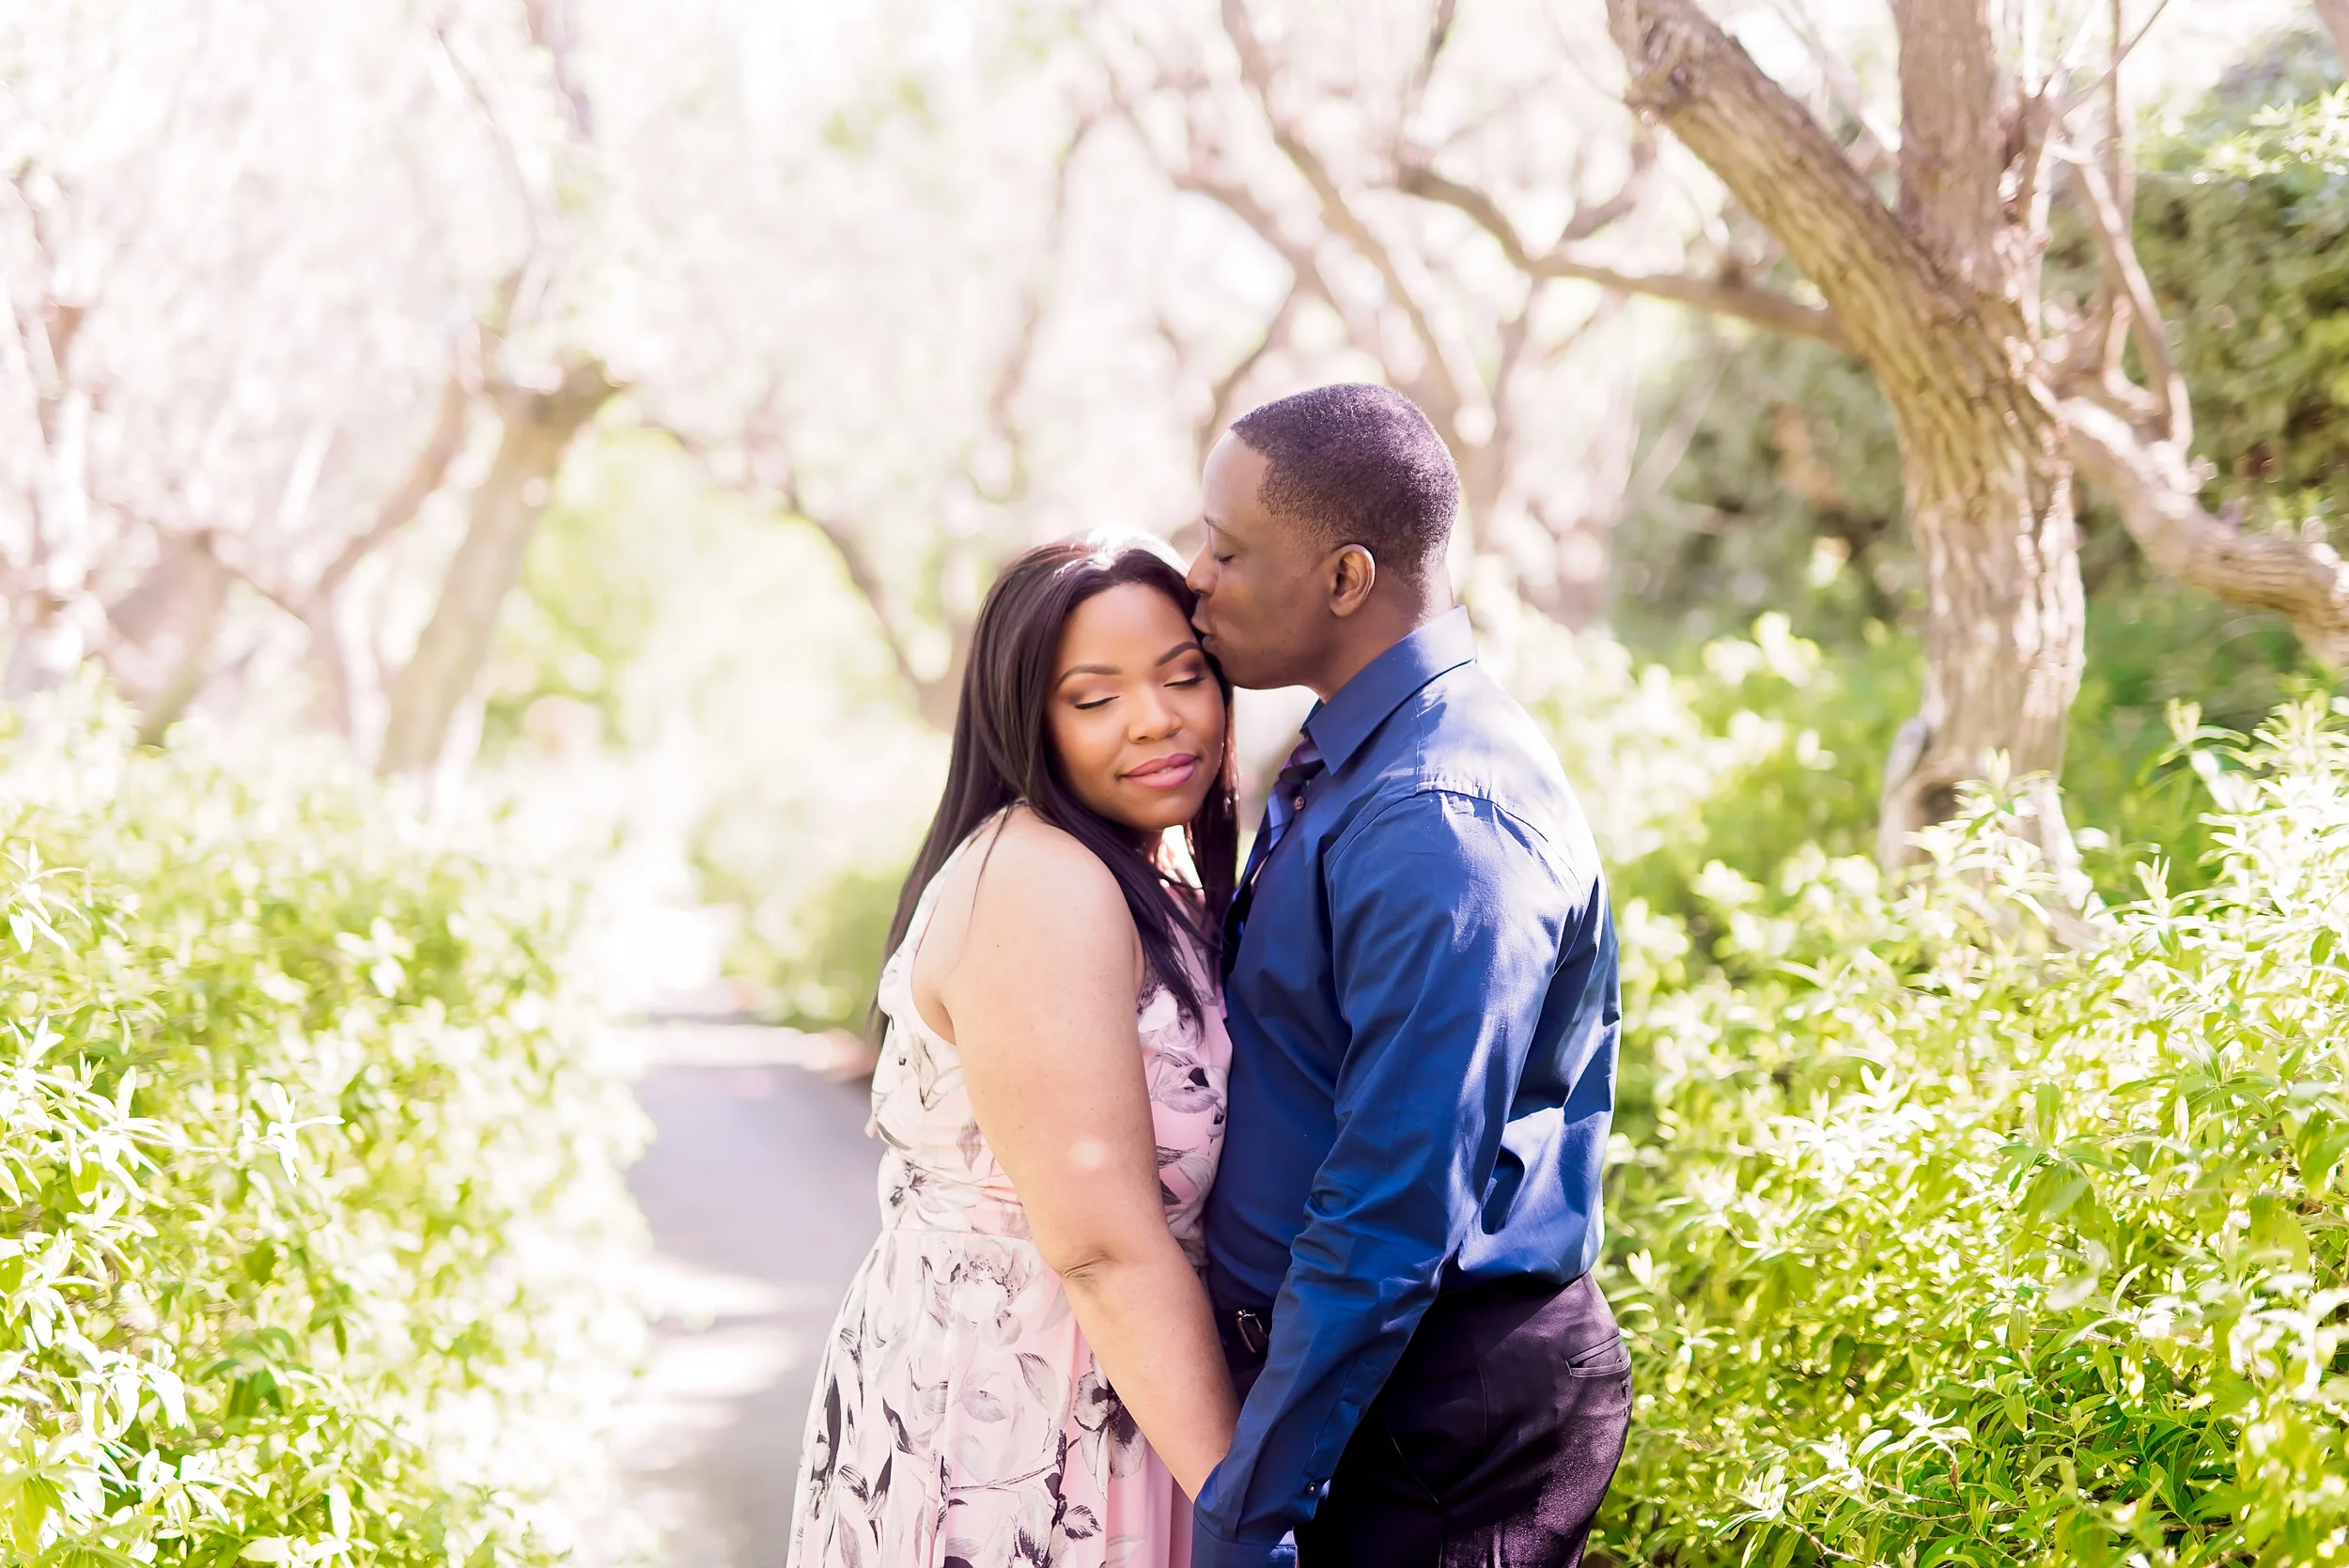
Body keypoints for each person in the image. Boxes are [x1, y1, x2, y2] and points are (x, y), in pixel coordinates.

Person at [1184, 383, 1629, 1567]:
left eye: (1226, 548)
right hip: (1363, 1385)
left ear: (1343, 578)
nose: (1195, 575)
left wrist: (1244, 1511)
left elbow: (1388, 1214)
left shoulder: (1439, 817)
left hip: (1436, 1417)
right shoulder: (1352, 753)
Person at [786, 540, 1242, 1568]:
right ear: (1024, 720)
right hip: (1023, 1415)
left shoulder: (1140, 866)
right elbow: (1099, 1246)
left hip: (1120, 1383)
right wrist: (1253, 1520)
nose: (1156, 718)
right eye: (1095, 697)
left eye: (1182, 675)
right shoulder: (1039, 881)